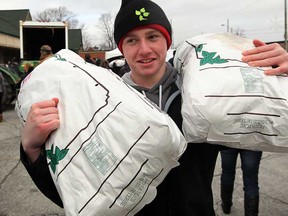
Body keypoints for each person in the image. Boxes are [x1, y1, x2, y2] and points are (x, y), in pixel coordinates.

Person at [19, 0, 288, 215]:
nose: (144, 49)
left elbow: (262, 123)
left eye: (153, 37)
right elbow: (74, 191)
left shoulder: (204, 97)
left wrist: (280, 75)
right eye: (132, 40)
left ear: (168, 42)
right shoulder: (98, 105)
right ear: (121, 48)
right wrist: (31, 149)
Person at [220, 148, 262, 216]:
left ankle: (226, 206)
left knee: (227, 173)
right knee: (251, 181)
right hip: (252, 142)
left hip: (229, 140)